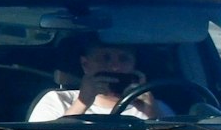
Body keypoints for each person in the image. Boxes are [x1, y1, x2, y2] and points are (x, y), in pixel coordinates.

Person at [29, 39, 169, 121]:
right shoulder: (58, 101)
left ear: (134, 65)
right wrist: (82, 103)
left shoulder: (155, 106)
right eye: (105, 58)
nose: (115, 67)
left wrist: (152, 113)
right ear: (85, 64)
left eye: (124, 59)